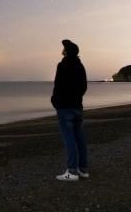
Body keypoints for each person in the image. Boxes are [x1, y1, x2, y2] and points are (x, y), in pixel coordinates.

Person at [51, 39, 89, 181]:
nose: (62, 50)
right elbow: (84, 87)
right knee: (79, 138)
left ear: (67, 51)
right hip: (77, 106)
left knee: (69, 139)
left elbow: (58, 85)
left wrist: (55, 101)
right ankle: (83, 169)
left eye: (64, 48)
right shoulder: (80, 66)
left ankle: (72, 172)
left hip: (65, 107)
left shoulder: (62, 65)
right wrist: (77, 98)